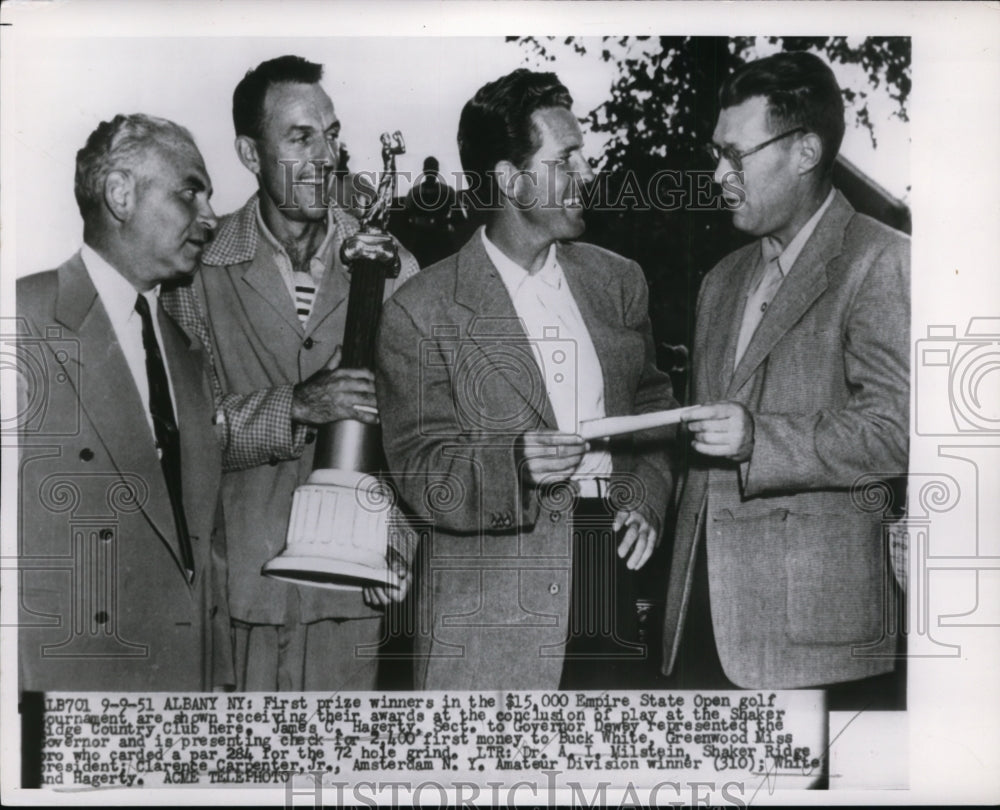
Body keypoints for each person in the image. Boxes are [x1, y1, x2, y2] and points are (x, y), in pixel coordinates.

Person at [376, 69, 678, 690]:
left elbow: (655, 405)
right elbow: (420, 470)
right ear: (510, 181)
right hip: (492, 616)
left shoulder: (618, 281)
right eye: (565, 160)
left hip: (609, 584)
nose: (585, 174)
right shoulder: (420, 309)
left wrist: (645, 498)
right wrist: (513, 463)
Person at [161, 55, 419, 692]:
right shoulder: (194, 271)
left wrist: (400, 543)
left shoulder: (394, 264)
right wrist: (298, 406)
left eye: (330, 134)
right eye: (299, 137)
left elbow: (426, 431)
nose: (325, 155)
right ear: (250, 153)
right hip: (233, 599)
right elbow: (177, 436)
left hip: (352, 598)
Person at [661, 51, 910, 699]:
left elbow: (897, 432)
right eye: (716, 153)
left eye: (735, 155)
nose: (718, 175)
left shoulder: (880, 261)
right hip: (699, 634)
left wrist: (757, 440)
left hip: (817, 646)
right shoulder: (719, 282)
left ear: (804, 152)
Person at [17, 114, 231, 691]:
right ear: (120, 194)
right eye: (190, 191)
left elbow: (203, 547)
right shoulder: (25, 320)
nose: (210, 217)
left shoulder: (186, 352)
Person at [402, 155, 466, 266]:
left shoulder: (414, 192)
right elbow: (461, 217)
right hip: (433, 240)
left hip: (430, 240)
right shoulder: (447, 191)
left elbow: (403, 219)